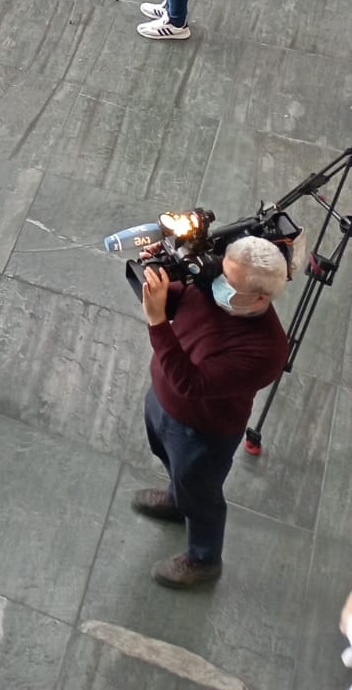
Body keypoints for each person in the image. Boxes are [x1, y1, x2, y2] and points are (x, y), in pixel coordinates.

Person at [135, 236, 288, 589]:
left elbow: (191, 383)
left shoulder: (266, 350)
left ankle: (204, 559)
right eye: (220, 269)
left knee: (201, 497)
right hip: (162, 402)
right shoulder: (215, 287)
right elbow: (176, 299)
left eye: (227, 280)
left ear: (260, 298)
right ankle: (177, 499)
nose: (215, 279)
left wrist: (156, 321)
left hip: (201, 433)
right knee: (173, 466)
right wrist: (156, 272)